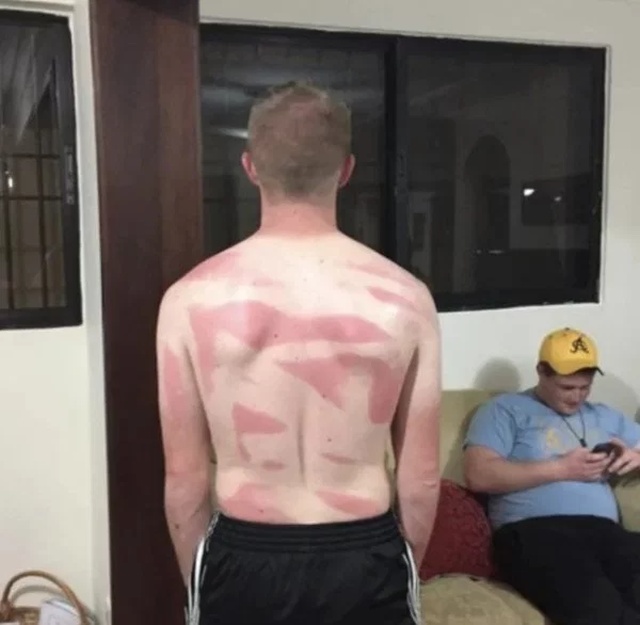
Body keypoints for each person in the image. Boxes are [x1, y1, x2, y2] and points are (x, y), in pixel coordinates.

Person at [155, 81, 441, 625]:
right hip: (366, 554)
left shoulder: (188, 301)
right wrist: (400, 566)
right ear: (347, 170)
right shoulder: (407, 300)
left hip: (244, 556)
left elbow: (184, 480)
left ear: (250, 167)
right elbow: (422, 480)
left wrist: (200, 584)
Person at [464, 327, 640, 625]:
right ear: (541, 373)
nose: (577, 397)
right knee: (599, 611)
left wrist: (635, 456)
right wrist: (562, 469)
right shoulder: (504, 410)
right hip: (535, 532)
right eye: (567, 388)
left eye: (585, 387)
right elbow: (478, 474)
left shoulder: (603, 414)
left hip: (604, 532)